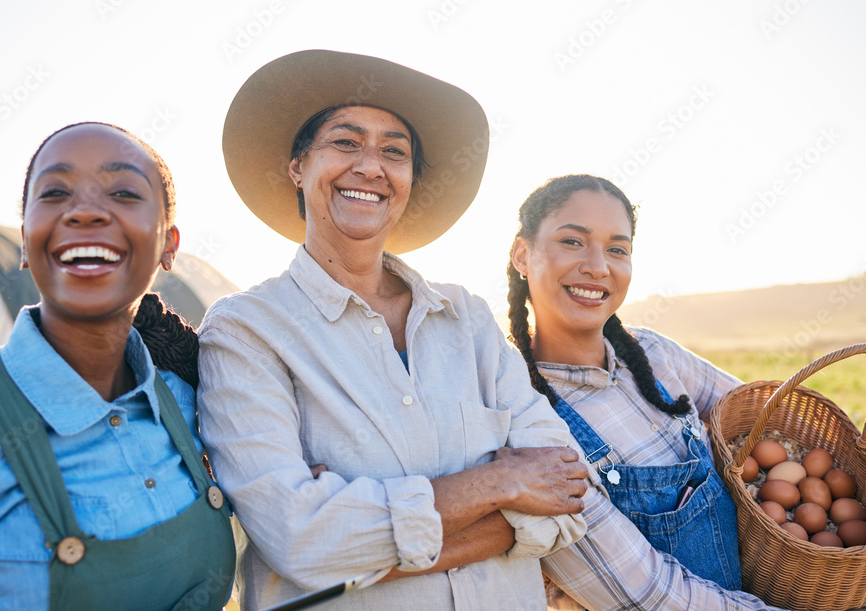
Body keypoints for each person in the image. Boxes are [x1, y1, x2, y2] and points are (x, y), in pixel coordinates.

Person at [198, 50, 590, 610]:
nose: (370, 166)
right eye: (345, 142)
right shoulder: (246, 331)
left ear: (408, 179)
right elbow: (298, 538)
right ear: (298, 167)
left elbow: (575, 494)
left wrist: (361, 554)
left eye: (394, 152)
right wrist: (497, 484)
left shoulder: (467, 319)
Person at [0, 122, 235, 610]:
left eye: (124, 192)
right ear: (26, 240)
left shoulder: (187, 399)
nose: (86, 211)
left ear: (169, 244)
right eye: (55, 192)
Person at [507, 174, 866, 610]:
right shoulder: (528, 419)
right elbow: (650, 594)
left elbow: (768, 415)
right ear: (522, 253)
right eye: (572, 241)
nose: (598, 266)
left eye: (617, 249)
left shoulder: (651, 352)